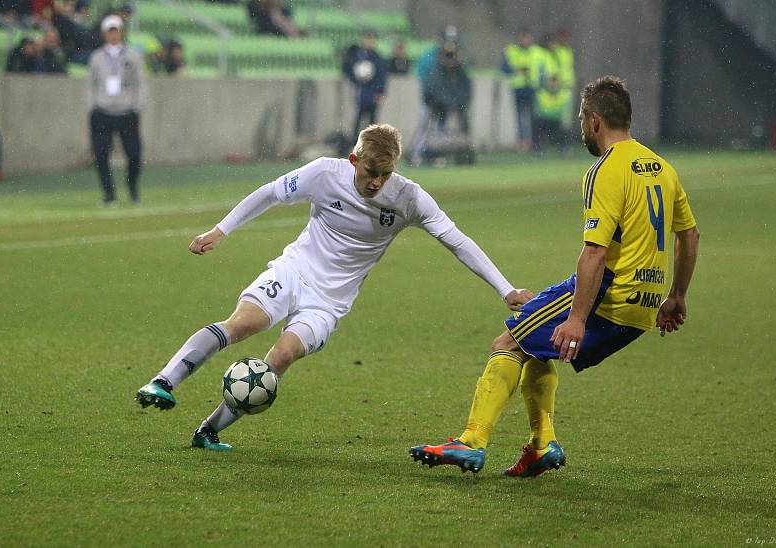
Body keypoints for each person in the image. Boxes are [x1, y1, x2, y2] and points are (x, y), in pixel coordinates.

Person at [134, 124, 532, 451]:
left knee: (281, 357)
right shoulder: (325, 173)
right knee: (243, 324)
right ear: (353, 160)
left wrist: (505, 289)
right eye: (369, 173)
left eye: (385, 175)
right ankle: (164, 381)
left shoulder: (409, 198)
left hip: (330, 303)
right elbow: (270, 193)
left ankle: (209, 430)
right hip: (294, 271)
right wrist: (220, 230)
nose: (376, 183)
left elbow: (457, 241)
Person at [409, 76, 700, 477]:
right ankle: (542, 445)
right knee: (535, 338)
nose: (581, 126)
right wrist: (677, 295)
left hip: (609, 293)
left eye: (582, 118)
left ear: (595, 121)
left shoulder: (605, 170)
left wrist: (577, 318)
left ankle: (472, 441)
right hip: (646, 306)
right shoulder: (663, 169)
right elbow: (689, 234)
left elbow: (595, 251)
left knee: (509, 341)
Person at [86, 15, 146, 206]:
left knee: (134, 154)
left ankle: (132, 185)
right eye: (110, 31)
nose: (113, 34)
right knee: (101, 155)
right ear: (104, 34)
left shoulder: (133, 56)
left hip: (126, 111)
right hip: (102, 111)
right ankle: (109, 194)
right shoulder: (96, 57)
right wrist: (92, 106)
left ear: (121, 32)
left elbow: (140, 83)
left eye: (116, 30)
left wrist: (137, 107)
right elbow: (90, 84)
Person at [501, 29, 547, 152]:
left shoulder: (538, 52)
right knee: (520, 117)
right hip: (518, 88)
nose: (524, 41)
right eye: (522, 38)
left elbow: (544, 71)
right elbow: (504, 68)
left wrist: (542, 84)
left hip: (533, 88)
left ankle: (534, 142)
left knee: (534, 116)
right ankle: (523, 142)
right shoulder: (512, 51)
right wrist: (516, 71)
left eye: (527, 38)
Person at [342, 30, 388, 136]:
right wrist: (356, 79)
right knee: (359, 117)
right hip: (362, 92)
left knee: (372, 120)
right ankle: (354, 142)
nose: (369, 42)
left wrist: (380, 92)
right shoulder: (358, 55)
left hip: (373, 93)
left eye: (372, 39)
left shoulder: (378, 58)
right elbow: (348, 70)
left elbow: (382, 77)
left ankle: (371, 143)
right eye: (368, 39)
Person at [533, 75, 572, 152]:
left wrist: (556, 115)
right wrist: (552, 114)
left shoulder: (565, 93)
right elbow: (538, 110)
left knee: (566, 124)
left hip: (558, 120)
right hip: (546, 119)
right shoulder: (541, 93)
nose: (553, 84)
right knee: (536, 123)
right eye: (551, 81)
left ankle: (565, 148)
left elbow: (566, 110)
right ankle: (537, 148)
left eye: (555, 81)